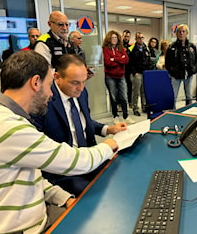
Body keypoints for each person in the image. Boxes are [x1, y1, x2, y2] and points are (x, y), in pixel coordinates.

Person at [0, 50, 119, 234]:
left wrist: (61, 197)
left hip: (37, 217)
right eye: (49, 86)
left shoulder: (2, 118)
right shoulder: (8, 128)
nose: (51, 93)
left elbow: (28, 175)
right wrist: (110, 144)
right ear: (35, 83)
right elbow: (76, 162)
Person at [31, 53, 128, 196]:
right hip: (64, 170)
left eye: (84, 81)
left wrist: (108, 129)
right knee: (93, 193)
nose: (81, 88)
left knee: (120, 172)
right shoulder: (43, 101)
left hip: (88, 156)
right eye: (75, 82)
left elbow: (85, 122)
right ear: (57, 77)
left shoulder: (81, 92)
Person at [102, 30, 136, 124]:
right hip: (110, 76)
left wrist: (114, 59)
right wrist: (119, 59)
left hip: (121, 76)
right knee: (113, 97)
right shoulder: (105, 49)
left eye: (116, 38)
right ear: (109, 39)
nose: (114, 39)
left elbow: (126, 60)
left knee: (124, 96)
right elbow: (108, 62)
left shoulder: (121, 48)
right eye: (113, 38)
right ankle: (115, 116)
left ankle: (126, 116)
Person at [165, 24, 197, 106]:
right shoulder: (172, 47)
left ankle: (189, 110)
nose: (181, 33)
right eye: (179, 32)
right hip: (176, 75)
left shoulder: (192, 46)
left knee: (189, 96)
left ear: (187, 33)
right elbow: (167, 61)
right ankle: (172, 112)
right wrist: (171, 71)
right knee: (174, 96)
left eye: (183, 31)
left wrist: (194, 69)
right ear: (176, 34)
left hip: (189, 74)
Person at [128, 32, 151, 115]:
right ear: (136, 39)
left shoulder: (146, 48)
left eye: (142, 38)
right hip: (136, 73)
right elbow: (129, 63)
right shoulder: (132, 48)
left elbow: (148, 61)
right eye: (139, 38)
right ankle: (135, 108)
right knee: (136, 92)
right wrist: (134, 72)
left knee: (144, 91)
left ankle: (144, 106)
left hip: (145, 73)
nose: (141, 39)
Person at [122, 30, 133, 106]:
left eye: (128, 36)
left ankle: (129, 101)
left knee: (129, 86)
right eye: (125, 36)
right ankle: (120, 103)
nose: (126, 38)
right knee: (121, 87)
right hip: (121, 69)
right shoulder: (119, 46)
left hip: (129, 69)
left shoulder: (131, 46)